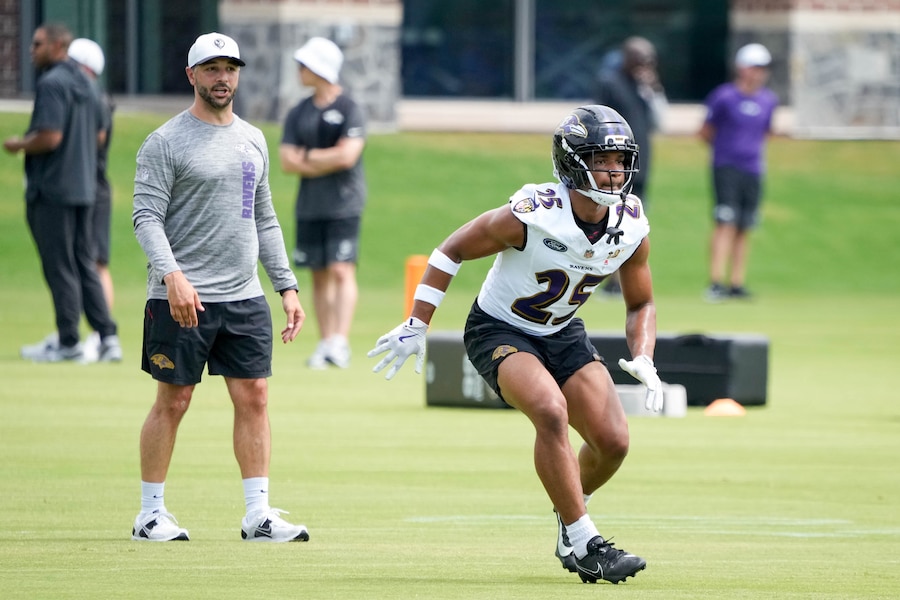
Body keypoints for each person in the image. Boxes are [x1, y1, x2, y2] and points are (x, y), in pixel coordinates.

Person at [368, 105, 663, 584]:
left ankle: (570, 520)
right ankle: (585, 542)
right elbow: (451, 249)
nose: (614, 172)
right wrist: (416, 323)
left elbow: (641, 303)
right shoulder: (534, 213)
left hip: (561, 330)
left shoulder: (630, 224)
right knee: (550, 410)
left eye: (619, 160)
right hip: (499, 328)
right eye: (601, 160)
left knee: (613, 442)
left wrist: (645, 354)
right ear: (572, 163)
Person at [131, 32, 309, 543]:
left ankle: (258, 516)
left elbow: (264, 218)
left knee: (255, 396)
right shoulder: (165, 142)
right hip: (181, 296)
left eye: (230, 68)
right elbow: (146, 217)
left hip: (244, 294)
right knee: (174, 400)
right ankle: (149, 515)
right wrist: (173, 276)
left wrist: (286, 286)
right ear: (192, 75)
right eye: (211, 69)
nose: (222, 78)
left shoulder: (253, 138)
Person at [3, 22, 121, 363]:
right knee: (84, 262)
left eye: (38, 44)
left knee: (60, 266)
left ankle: (68, 340)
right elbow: (99, 134)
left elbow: (50, 136)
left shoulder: (52, 82)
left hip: (53, 189)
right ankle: (107, 337)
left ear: (58, 46)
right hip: (85, 189)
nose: (31, 50)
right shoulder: (88, 84)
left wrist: (18, 145)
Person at [279, 37, 366, 370]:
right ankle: (326, 342)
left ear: (320, 68)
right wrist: (324, 157)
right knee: (318, 274)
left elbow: (348, 156)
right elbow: (286, 161)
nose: (299, 70)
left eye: (304, 65)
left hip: (344, 204)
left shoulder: (349, 108)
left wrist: (308, 156)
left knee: (341, 270)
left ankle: (340, 342)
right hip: (309, 205)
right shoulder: (298, 112)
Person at [699, 43, 778, 302]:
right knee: (725, 222)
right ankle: (715, 282)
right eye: (755, 67)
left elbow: (766, 133)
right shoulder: (724, 97)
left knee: (745, 225)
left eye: (763, 68)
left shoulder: (769, 100)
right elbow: (706, 132)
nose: (759, 73)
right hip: (726, 168)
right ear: (742, 68)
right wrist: (726, 151)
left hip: (753, 169)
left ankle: (736, 282)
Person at [594, 36, 667, 297]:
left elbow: (661, 122)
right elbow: (598, 121)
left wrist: (653, 89)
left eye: (649, 61)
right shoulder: (609, 83)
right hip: (615, 167)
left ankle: (624, 281)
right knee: (611, 221)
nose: (644, 65)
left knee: (632, 225)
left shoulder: (644, 88)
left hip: (641, 164)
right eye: (640, 60)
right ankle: (607, 279)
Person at [68, 37, 116, 359]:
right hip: (90, 187)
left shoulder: (93, 100)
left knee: (96, 262)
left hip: (94, 188)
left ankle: (102, 337)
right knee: (85, 261)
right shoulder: (96, 98)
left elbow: (96, 140)